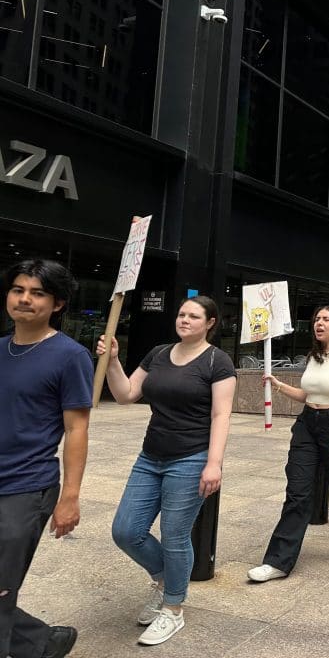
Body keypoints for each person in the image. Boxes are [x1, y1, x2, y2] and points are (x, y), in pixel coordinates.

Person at [98, 296, 235, 646]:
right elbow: (127, 393)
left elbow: (221, 415)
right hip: (150, 457)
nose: (185, 319)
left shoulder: (217, 362)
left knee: (175, 536)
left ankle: (173, 608)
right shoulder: (158, 353)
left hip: (190, 459)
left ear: (210, 323)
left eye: (194, 316)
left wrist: (213, 463)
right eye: (181, 314)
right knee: (126, 531)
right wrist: (113, 361)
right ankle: (164, 579)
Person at [1, 260, 92, 658]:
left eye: (37, 293)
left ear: (57, 304)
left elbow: (76, 429)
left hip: (26, 486)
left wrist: (69, 496)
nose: (25, 299)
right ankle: (42, 642)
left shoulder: (70, 356)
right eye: (18, 289)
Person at [247, 306, 329, 583]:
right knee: (298, 492)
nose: (319, 324)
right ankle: (277, 561)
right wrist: (277, 385)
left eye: (325, 319)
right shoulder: (315, 356)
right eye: (316, 320)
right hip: (308, 425)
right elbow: (306, 394)